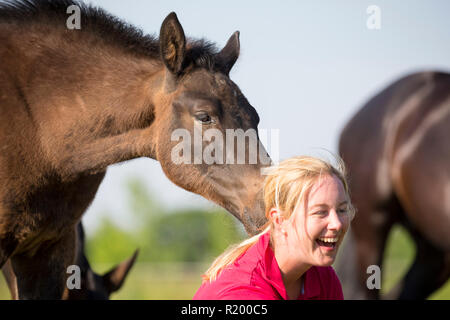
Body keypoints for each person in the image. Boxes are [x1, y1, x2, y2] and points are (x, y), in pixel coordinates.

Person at [193, 156, 355, 300]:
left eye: (341, 210)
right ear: (279, 219)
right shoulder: (243, 292)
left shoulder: (322, 277)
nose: (337, 223)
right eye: (320, 212)